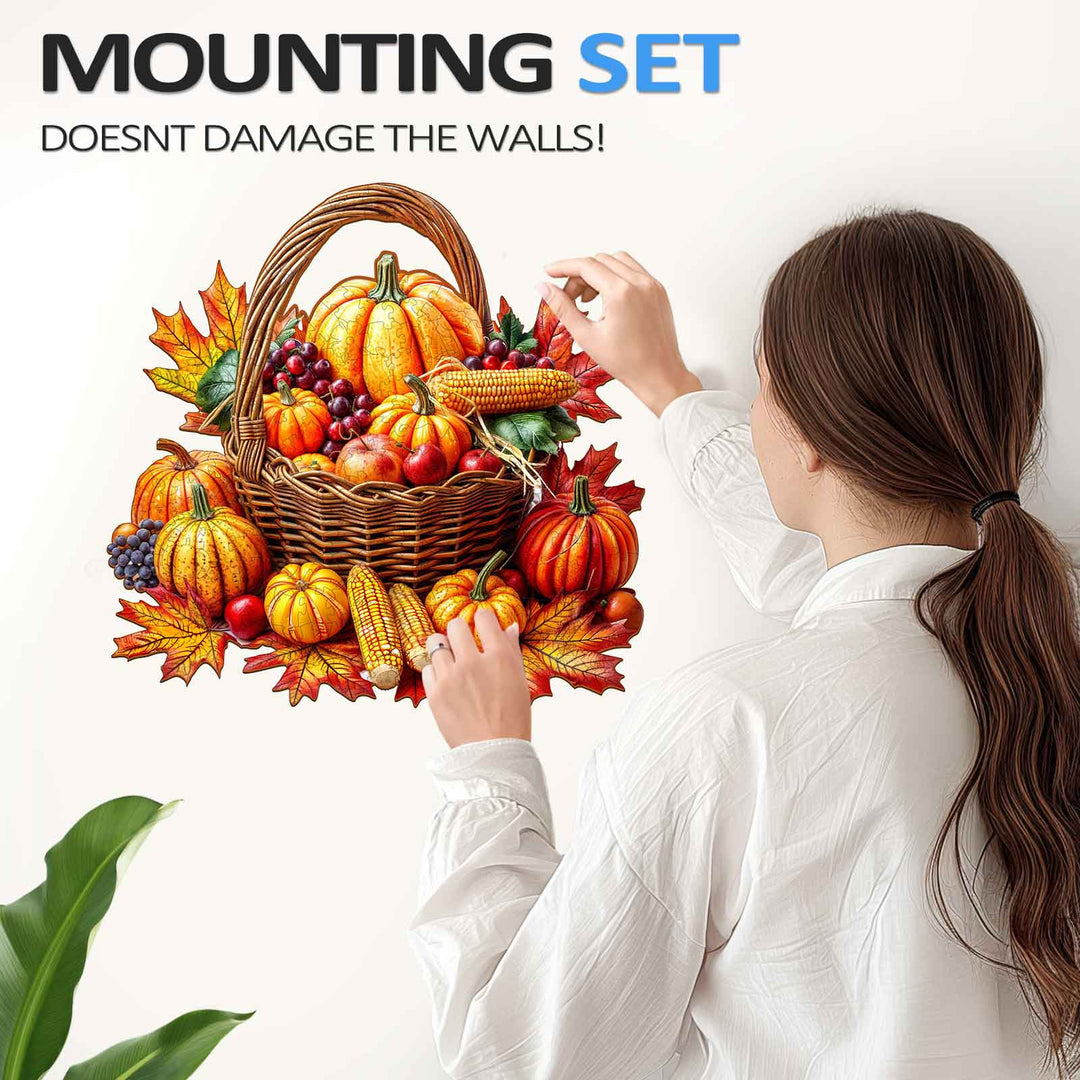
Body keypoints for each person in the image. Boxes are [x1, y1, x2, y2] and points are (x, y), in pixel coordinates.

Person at [406, 211, 1080, 1079]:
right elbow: (840, 572)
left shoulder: (725, 726)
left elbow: (519, 1062)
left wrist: (487, 772)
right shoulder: (1036, 640)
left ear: (807, 441)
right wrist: (669, 389)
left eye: (764, 388)